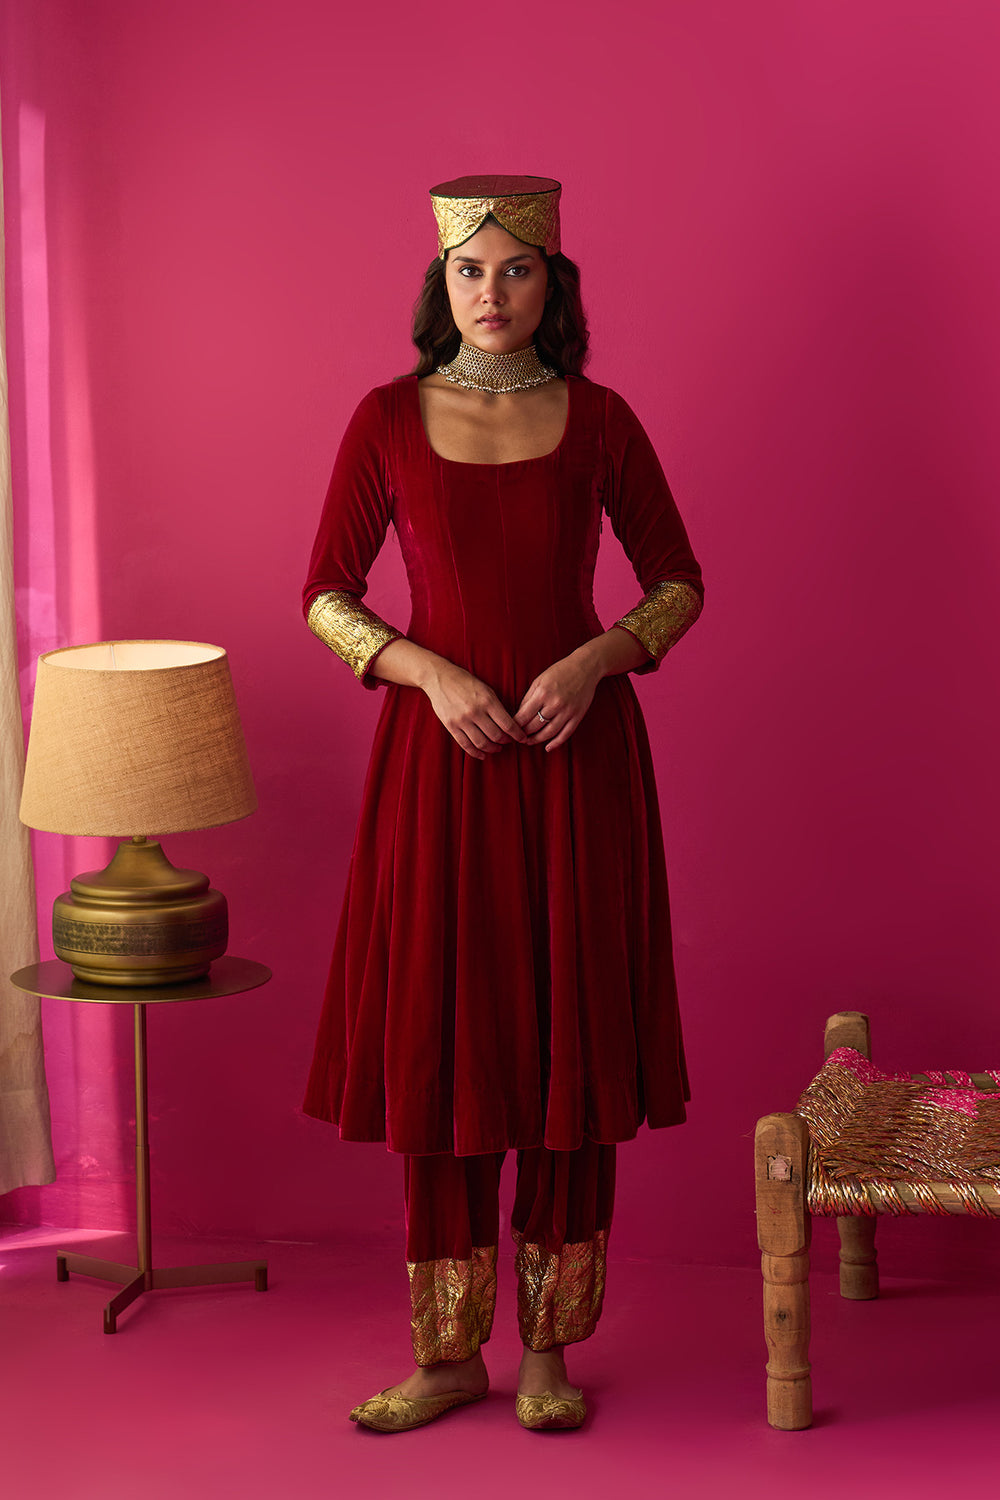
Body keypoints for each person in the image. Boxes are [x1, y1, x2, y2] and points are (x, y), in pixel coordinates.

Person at [302, 175, 704, 1433]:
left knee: (567, 1043)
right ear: (441, 280)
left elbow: (678, 584)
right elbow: (325, 595)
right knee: (445, 1042)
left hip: (579, 766)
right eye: (470, 270)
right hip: (439, 770)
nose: (492, 292)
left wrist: (594, 662)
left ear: (553, 282)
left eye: (517, 269)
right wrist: (427, 674)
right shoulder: (384, 417)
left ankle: (548, 1353)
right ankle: (446, 1355)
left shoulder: (602, 420)